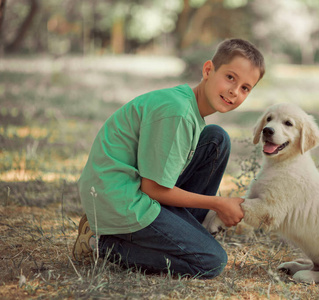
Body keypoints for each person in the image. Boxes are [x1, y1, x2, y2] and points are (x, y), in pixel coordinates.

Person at [72, 38, 265, 279]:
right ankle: (100, 244)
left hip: (132, 190)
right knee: (211, 261)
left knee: (216, 139)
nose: (234, 91)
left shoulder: (189, 107)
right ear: (208, 70)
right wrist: (217, 204)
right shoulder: (178, 113)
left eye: (245, 88)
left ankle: (188, 230)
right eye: (230, 77)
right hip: (118, 198)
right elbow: (153, 189)